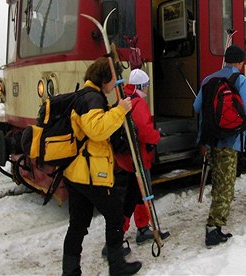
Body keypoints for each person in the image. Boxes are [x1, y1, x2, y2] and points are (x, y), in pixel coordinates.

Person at [61, 57, 141, 276]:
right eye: (113, 80)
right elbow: (96, 130)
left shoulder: (83, 95)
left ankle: (70, 271)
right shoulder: (92, 98)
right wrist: (120, 110)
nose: (114, 86)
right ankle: (117, 266)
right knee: (115, 215)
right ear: (105, 78)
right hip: (90, 173)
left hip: (76, 171)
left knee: (78, 224)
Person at [193, 45, 246, 247]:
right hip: (230, 140)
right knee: (226, 185)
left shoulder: (208, 79)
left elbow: (196, 106)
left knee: (219, 180)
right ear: (240, 62)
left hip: (210, 140)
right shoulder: (240, 80)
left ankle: (215, 221)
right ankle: (213, 229)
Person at [115, 69, 170, 247]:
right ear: (141, 86)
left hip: (127, 158)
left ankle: (142, 227)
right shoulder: (139, 104)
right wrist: (157, 136)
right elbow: (145, 132)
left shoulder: (124, 99)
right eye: (146, 86)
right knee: (137, 196)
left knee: (139, 195)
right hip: (138, 159)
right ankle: (118, 235)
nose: (147, 89)